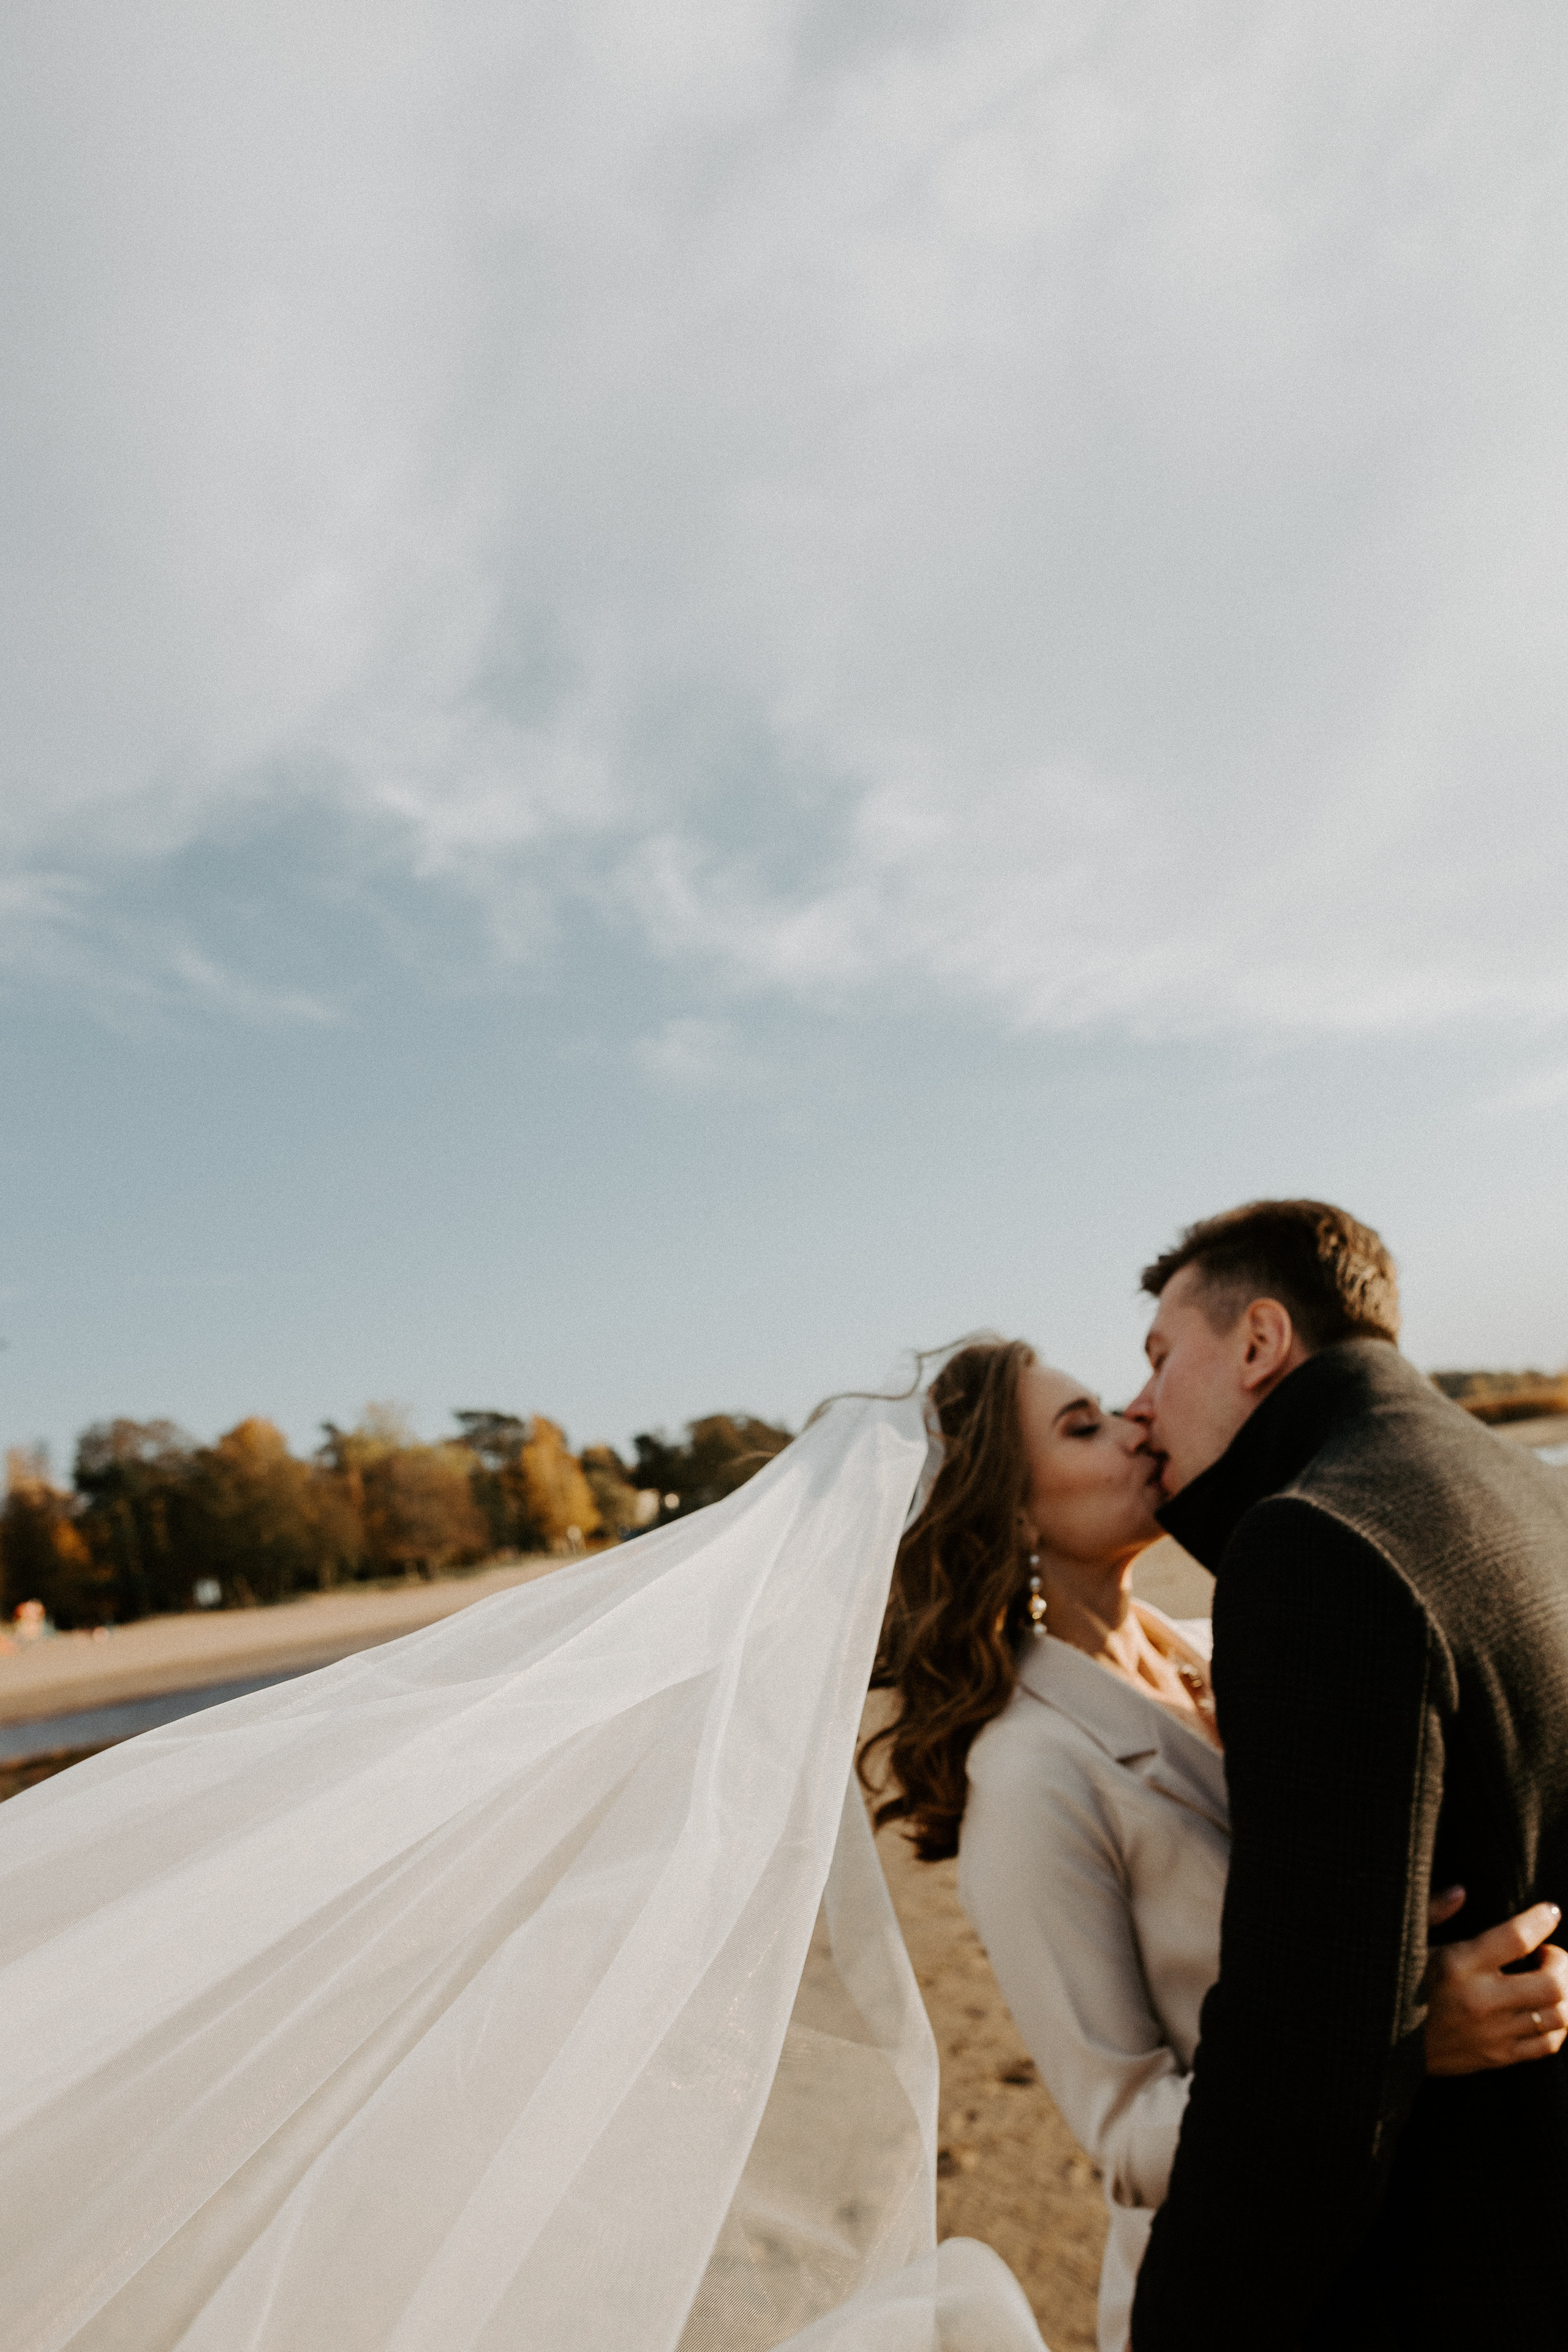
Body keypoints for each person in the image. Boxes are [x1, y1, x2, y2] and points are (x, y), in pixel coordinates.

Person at [862, 1338, 1568, 2352]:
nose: (1135, 1427)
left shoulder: (1220, 1639)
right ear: (1013, 1513)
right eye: (1084, 1427)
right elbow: (1123, 2134)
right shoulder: (1027, 1776)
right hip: (1251, 2293)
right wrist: (1404, 2043)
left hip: (1413, 2236)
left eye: (1114, 1408)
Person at [1122, 1200, 1568, 2350]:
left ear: (1261, 1341)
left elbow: (1300, 2074)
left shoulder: (1317, 1541)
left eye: (1162, 1357)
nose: (1142, 1404)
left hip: (1465, 2269)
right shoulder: (1535, 1490)